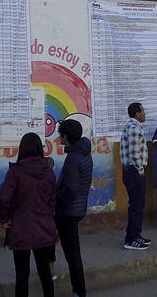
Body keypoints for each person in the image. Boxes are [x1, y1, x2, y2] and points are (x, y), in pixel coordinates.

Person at [0, 133, 57, 297]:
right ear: (39, 148)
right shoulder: (48, 170)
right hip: (43, 226)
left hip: (20, 228)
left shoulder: (15, 172)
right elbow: (53, 199)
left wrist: (3, 219)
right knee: (45, 272)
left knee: (22, 275)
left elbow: (3, 198)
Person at [55, 119, 93, 297]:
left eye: (60, 135)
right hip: (78, 207)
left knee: (72, 254)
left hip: (69, 210)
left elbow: (70, 189)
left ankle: (79, 290)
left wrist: (57, 203)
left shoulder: (73, 158)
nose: (58, 138)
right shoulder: (84, 151)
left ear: (66, 137)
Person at [120, 102, 151, 250]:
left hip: (132, 171)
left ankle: (135, 235)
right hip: (134, 172)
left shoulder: (134, 127)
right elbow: (134, 153)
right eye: (143, 111)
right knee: (137, 206)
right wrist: (140, 169)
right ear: (137, 114)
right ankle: (131, 239)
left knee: (137, 205)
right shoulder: (133, 128)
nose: (145, 114)